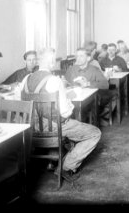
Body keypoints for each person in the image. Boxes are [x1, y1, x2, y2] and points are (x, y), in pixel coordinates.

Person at [20, 47, 101, 182]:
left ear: (38, 61)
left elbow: (22, 104)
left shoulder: (26, 79)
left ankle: (53, 158)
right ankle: (66, 167)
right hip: (54, 127)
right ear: (52, 61)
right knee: (94, 133)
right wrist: (70, 104)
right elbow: (65, 112)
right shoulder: (54, 80)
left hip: (31, 128)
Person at [65, 48, 116, 126]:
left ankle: (93, 122)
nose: (78, 58)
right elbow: (66, 82)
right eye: (77, 56)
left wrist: (88, 84)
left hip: (89, 100)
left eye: (81, 56)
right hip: (74, 99)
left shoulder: (94, 70)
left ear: (88, 58)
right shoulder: (71, 69)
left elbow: (105, 84)